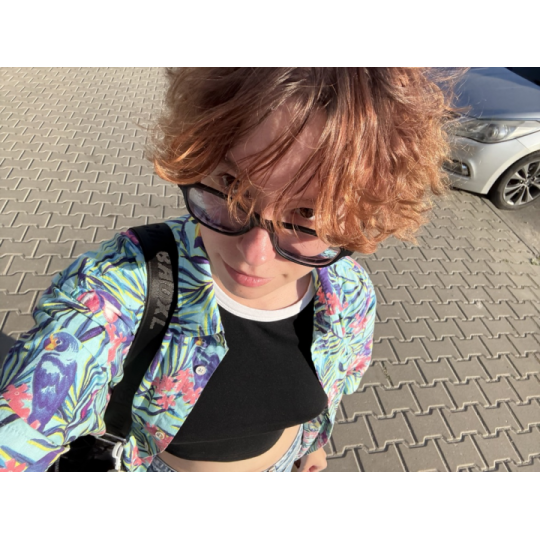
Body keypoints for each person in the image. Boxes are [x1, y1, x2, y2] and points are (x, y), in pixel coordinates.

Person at [0, 68, 455, 472]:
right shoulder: (124, 285)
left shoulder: (348, 291)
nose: (254, 254)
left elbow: (335, 382)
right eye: (232, 185)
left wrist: (312, 444)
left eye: (307, 212)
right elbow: (27, 420)